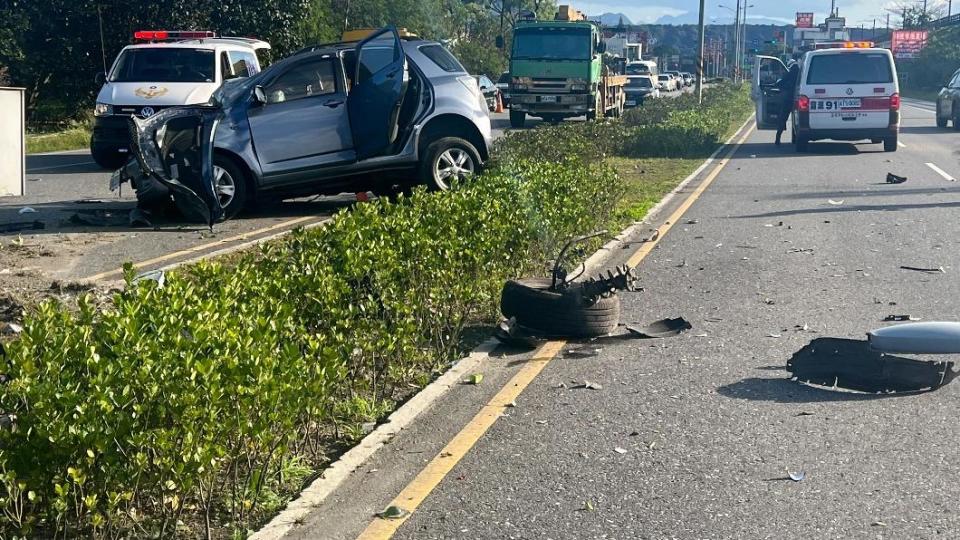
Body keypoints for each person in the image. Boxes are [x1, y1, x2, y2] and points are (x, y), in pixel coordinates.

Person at [775, 62, 801, 146]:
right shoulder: (801, 74)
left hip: (788, 100)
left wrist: (776, 84)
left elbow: (781, 83)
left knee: (783, 118)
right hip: (798, 99)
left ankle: (778, 137)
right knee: (797, 120)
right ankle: (796, 138)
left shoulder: (789, 74)